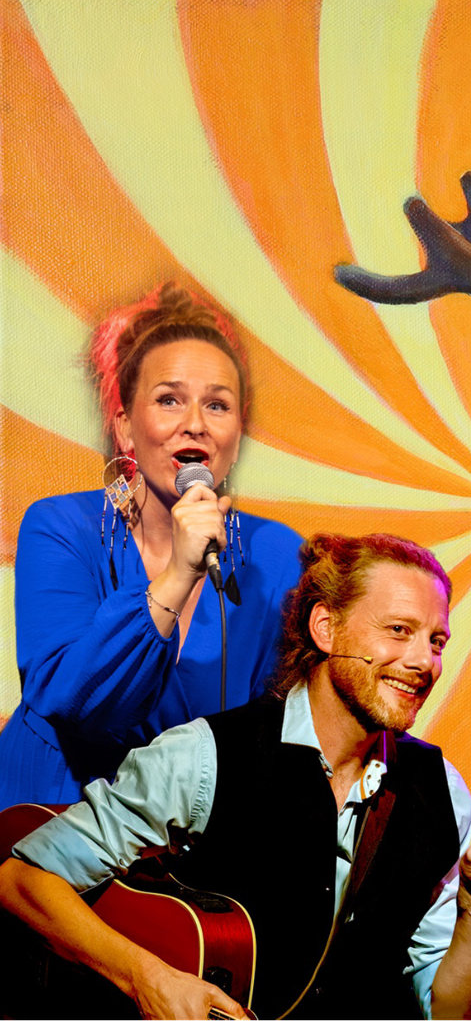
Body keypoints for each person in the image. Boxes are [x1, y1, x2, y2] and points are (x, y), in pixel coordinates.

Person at [0, 532, 471, 1020]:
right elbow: (20, 881)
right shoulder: (204, 757)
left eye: (436, 641)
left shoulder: (442, 793)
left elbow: (453, 1012)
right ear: (326, 628)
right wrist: (148, 980)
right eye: (399, 630)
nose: (424, 661)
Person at [0, 284, 303, 810]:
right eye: (169, 400)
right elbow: (77, 703)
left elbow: (285, 726)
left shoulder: (275, 555)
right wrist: (179, 574)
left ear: (236, 437)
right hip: (52, 815)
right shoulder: (61, 527)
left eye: (217, 405)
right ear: (124, 428)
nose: (195, 424)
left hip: (186, 833)